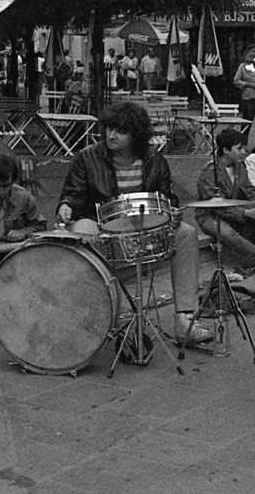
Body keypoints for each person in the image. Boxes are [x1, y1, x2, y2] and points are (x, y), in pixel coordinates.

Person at [56, 101, 215, 343]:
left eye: (121, 131)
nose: (112, 135)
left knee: (186, 234)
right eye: (109, 128)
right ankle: (94, 319)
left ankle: (185, 319)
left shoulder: (154, 159)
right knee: (81, 232)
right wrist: (66, 206)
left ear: (136, 134)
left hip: (144, 225)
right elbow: (73, 194)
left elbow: (166, 198)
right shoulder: (87, 158)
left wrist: (172, 215)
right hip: (99, 222)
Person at [195, 129, 255, 273]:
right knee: (228, 234)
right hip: (209, 215)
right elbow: (216, 207)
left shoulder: (240, 167)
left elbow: (250, 192)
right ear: (226, 150)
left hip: (234, 209)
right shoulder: (210, 171)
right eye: (239, 148)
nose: (244, 152)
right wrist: (247, 213)